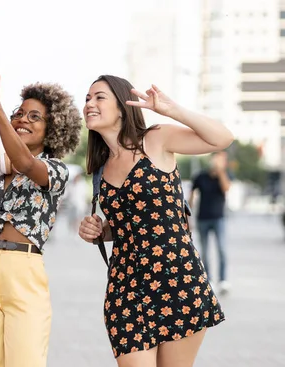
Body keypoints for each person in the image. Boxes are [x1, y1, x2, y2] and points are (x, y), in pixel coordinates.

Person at [78, 75, 233, 367]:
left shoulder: (156, 138)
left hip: (177, 280)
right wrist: (100, 231)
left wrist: (173, 110)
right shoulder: (100, 168)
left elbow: (222, 138)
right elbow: (131, 224)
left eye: (99, 97)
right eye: (87, 98)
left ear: (123, 107)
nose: (89, 104)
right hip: (125, 289)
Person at [0, 69, 82, 367]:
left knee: (25, 361)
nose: (22, 119)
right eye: (19, 113)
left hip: (23, 272)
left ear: (54, 128)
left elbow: (24, 161)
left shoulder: (56, 171)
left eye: (35, 116)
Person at [189, 151, 232, 293]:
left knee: (222, 249)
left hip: (219, 218)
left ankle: (223, 280)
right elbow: (191, 196)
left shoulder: (225, 175)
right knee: (205, 251)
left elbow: (226, 188)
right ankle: (208, 279)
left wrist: (220, 172)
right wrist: (187, 218)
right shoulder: (201, 176)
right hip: (202, 218)